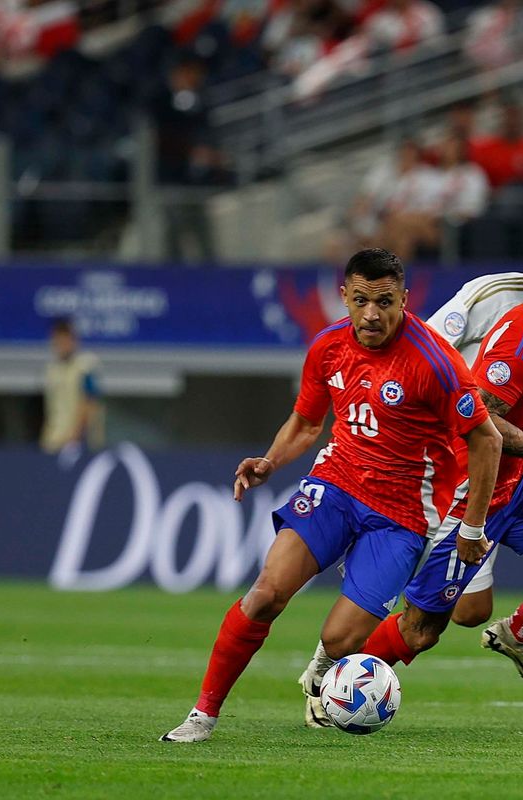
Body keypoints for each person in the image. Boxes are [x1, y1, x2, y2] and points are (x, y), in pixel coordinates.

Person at [297, 230, 523, 726]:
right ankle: (330, 688)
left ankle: (518, 634)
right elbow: (485, 424)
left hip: (518, 479)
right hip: (466, 486)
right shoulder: (521, 339)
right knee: (422, 629)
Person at [161, 248, 503, 743]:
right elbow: (306, 422)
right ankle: (203, 716)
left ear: (404, 299)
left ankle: (327, 671)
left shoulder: (435, 361)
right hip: (337, 486)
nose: (371, 313)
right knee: (264, 596)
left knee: (340, 640)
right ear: (343, 296)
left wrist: (471, 527)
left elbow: (486, 439)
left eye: (384, 301)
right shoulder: (328, 346)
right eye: (360, 299)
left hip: (402, 514)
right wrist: (269, 462)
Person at [40, 318, 104, 459]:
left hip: (79, 443)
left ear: (74, 340)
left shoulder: (85, 367)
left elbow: (89, 402)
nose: (62, 345)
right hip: (54, 440)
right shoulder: (52, 370)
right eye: (59, 341)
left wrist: (75, 437)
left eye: (66, 340)